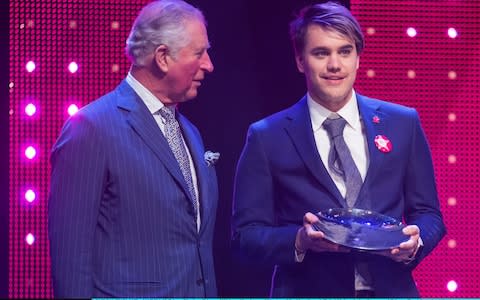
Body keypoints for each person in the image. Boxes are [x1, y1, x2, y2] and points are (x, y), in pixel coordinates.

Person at [232, 1, 446, 298]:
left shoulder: (402, 123)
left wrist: (415, 242)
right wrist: (299, 240)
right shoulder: (267, 136)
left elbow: (429, 214)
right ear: (300, 60)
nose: (335, 65)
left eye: (345, 51)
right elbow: (246, 236)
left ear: (358, 58)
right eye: (321, 53)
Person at [48, 0, 218, 297]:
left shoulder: (189, 131)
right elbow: (71, 259)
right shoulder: (92, 128)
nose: (208, 64)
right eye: (199, 53)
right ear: (163, 57)